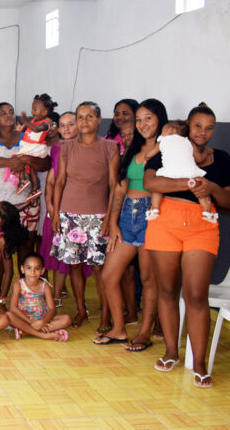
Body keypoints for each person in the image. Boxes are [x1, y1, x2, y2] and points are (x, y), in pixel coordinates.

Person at [144, 103, 229, 388]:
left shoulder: (223, 159)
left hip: (202, 225)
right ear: (187, 126)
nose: (203, 132)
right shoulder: (170, 145)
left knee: (196, 294)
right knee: (167, 289)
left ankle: (200, 362)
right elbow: (150, 183)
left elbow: (227, 201)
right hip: (165, 220)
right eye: (198, 126)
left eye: (209, 127)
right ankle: (171, 352)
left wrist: (212, 190)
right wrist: (193, 183)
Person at [93, 99, 166, 350]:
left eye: (148, 118)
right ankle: (119, 330)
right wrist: (113, 224)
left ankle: (144, 332)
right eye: (140, 119)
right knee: (108, 275)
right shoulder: (130, 151)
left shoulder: (167, 149)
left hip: (152, 218)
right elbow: (119, 191)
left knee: (148, 280)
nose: (143, 124)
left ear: (160, 119)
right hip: (126, 218)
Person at [50, 101, 120, 329]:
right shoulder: (67, 147)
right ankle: (81, 310)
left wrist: (109, 219)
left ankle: (105, 315)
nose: (84, 121)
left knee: (101, 269)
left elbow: (113, 186)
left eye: (90, 116)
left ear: (99, 120)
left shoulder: (110, 148)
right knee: (74, 266)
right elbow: (60, 182)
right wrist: (56, 214)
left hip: (98, 217)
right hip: (70, 216)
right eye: (81, 117)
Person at [0, 102, 50, 261]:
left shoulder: (26, 136)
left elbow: (45, 164)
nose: (9, 115)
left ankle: (25, 285)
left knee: (26, 251)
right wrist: (10, 162)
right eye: (3, 113)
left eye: (11, 112)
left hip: (26, 205)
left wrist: (29, 159)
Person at [39, 111, 87, 305]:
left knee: (76, 259)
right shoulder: (57, 149)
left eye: (71, 124)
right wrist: (50, 206)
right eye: (62, 125)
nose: (66, 129)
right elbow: (51, 181)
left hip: (78, 210)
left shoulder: (87, 149)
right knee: (57, 257)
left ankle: (79, 302)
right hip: (57, 211)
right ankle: (56, 296)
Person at [145, 120, 216, 223]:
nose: (161, 132)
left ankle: (155, 209)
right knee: (201, 192)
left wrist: (146, 159)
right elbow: (199, 159)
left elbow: (149, 154)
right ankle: (207, 212)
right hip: (189, 171)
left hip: (169, 172)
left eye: (163, 130)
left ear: (170, 130)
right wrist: (208, 152)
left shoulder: (163, 141)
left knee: (157, 189)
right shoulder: (188, 141)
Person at [6, 253, 71, 341]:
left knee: (67, 319)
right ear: (22, 269)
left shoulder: (45, 286)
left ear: (43, 270)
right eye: (29, 268)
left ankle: (26, 331)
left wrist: (42, 322)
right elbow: (13, 308)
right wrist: (32, 322)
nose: (32, 272)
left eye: (37, 268)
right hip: (24, 319)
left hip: (41, 318)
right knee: (8, 315)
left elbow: (52, 309)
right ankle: (42, 334)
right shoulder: (18, 284)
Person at [11, 93, 57, 199]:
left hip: (35, 148)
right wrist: (21, 128)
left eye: (35, 109)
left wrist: (25, 121)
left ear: (45, 112)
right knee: (31, 169)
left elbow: (36, 129)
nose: (32, 112)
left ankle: (23, 180)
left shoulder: (46, 123)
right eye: (32, 109)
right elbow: (27, 129)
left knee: (19, 159)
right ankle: (35, 188)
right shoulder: (33, 120)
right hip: (29, 147)